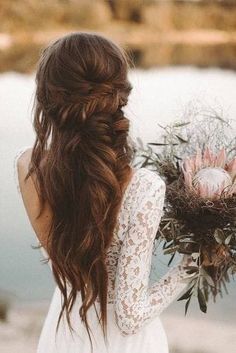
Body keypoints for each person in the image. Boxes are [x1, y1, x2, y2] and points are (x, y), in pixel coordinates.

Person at [14, 32, 196, 353]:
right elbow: (130, 315)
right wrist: (191, 265)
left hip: (65, 333)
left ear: (47, 98)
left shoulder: (29, 167)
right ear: (119, 95)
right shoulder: (144, 187)